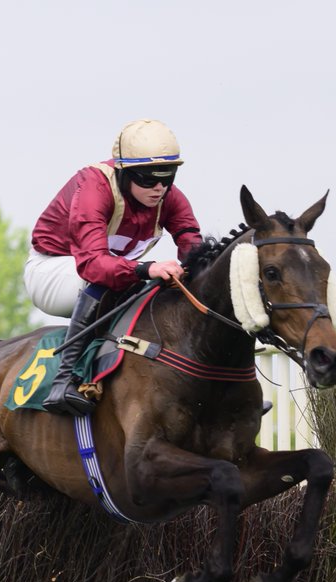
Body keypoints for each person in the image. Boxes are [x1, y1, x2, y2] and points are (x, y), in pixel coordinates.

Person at [24, 119, 202, 416]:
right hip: (53, 270)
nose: (159, 188)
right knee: (115, 281)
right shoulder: (94, 187)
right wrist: (147, 269)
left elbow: (194, 248)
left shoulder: (169, 197)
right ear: (123, 172)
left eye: (167, 177)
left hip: (114, 276)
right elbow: (93, 265)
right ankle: (63, 379)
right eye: (147, 179)